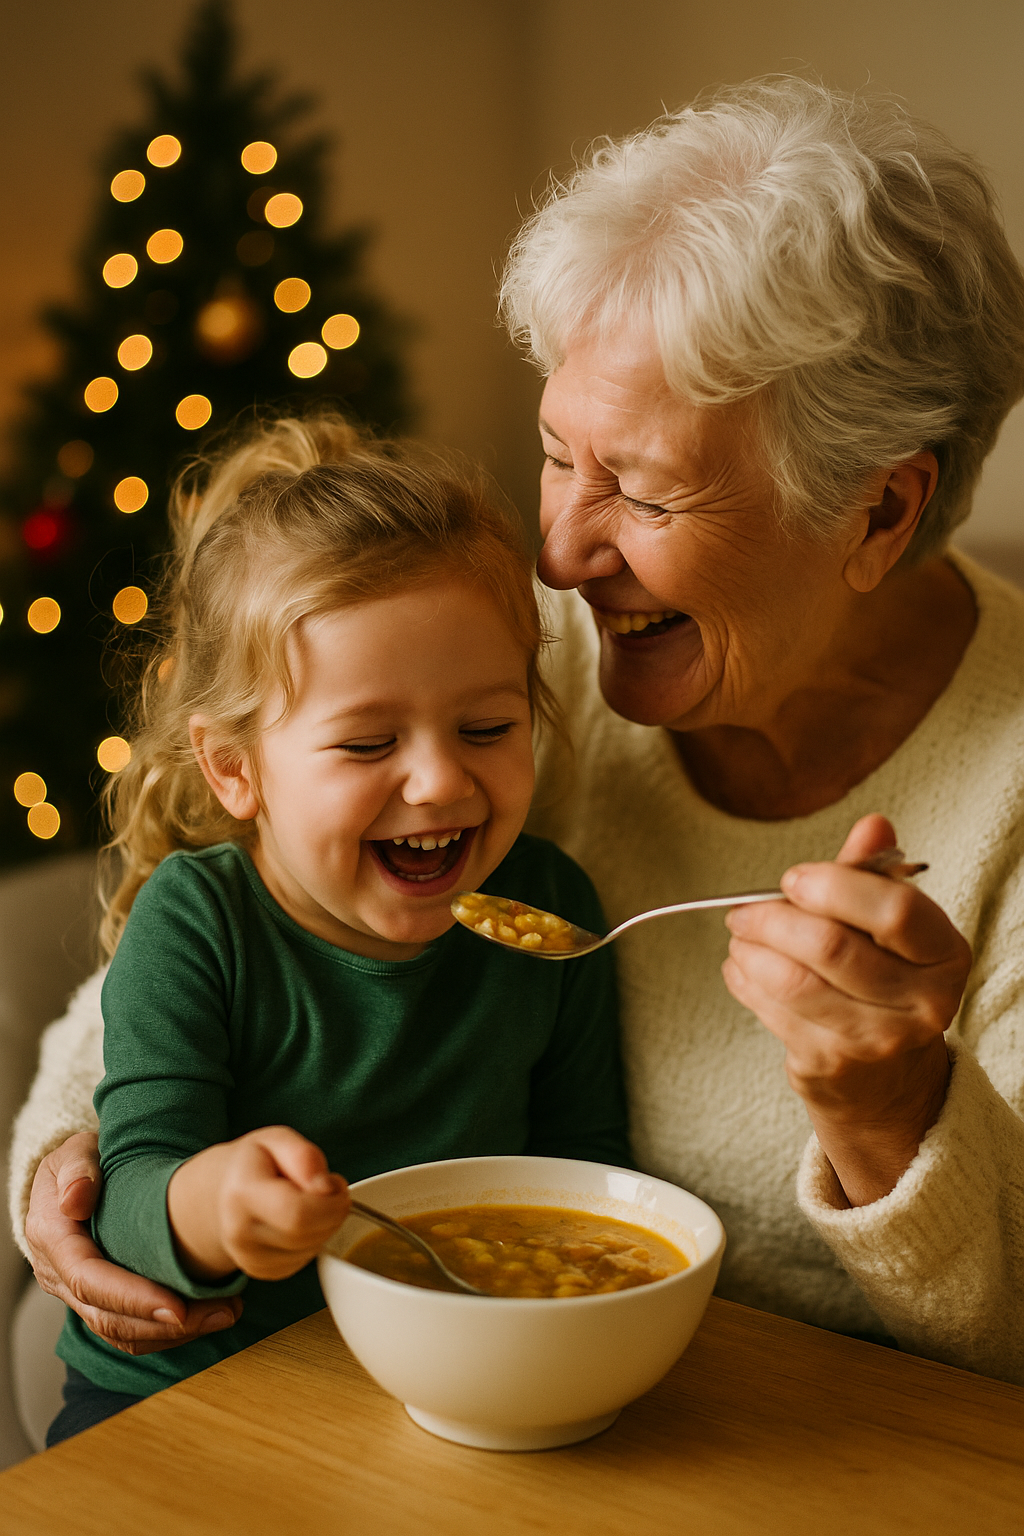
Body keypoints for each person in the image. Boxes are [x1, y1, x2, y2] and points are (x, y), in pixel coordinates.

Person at [12, 76, 1024, 1385]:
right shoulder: (500, 653)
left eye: (642, 491)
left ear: (881, 512)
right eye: (558, 455)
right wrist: (80, 1177)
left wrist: (897, 1117)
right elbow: (189, 978)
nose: (555, 553)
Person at [32, 416, 629, 1444]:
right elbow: (130, 1191)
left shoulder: (551, 915)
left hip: (450, 1392)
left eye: (488, 727)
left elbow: (583, 1166)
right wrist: (221, 1207)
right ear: (235, 768)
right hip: (188, 1397)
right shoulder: (196, 924)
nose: (441, 780)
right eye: (367, 742)